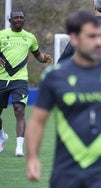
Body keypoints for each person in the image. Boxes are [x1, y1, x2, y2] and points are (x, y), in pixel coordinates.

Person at [26, 11, 101, 188]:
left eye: (99, 36)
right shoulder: (54, 77)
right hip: (65, 171)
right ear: (74, 39)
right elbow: (37, 122)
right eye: (91, 36)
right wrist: (32, 157)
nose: (99, 42)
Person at [0, 10, 52, 157]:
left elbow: (38, 54)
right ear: (10, 20)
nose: (19, 20)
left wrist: (45, 59)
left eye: (21, 18)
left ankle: (19, 148)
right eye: (16, 17)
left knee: (19, 110)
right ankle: (2, 135)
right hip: (1, 79)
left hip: (20, 79)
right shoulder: (1, 35)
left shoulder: (30, 37)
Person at [57, 0, 101, 65]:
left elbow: (68, 51)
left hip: (86, 73)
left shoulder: (84, 26)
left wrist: (57, 68)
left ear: (94, 6)